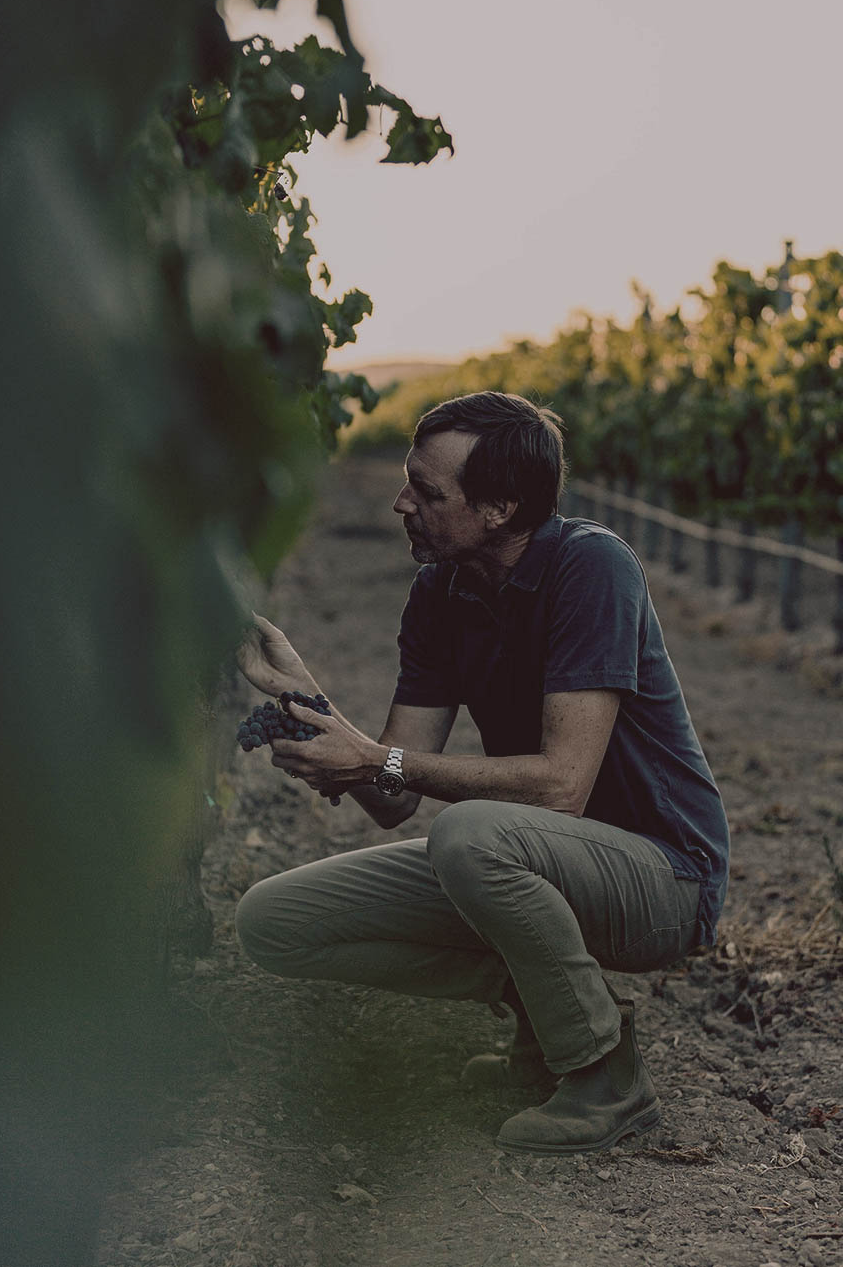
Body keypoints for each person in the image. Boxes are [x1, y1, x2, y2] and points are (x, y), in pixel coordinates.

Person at [234, 390, 730, 1155]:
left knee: (467, 837)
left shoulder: (592, 567)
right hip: (537, 858)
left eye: (427, 492)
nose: (401, 504)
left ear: (498, 508)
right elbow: (392, 798)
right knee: (274, 921)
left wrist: (372, 758)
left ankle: (604, 1077)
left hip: (664, 878)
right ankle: (548, 1007)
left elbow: (562, 786)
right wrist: (308, 702)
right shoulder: (442, 592)